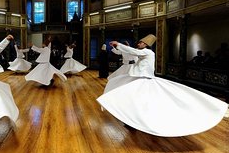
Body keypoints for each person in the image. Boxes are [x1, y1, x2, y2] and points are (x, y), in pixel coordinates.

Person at [97, 34, 228, 137]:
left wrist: (118, 44)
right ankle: (132, 120)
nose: (139, 43)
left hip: (144, 79)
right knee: (133, 98)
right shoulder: (142, 52)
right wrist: (118, 47)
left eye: (141, 42)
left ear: (147, 45)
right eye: (139, 42)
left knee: (140, 100)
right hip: (139, 78)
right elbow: (131, 52)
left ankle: (138, 120)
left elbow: (133, 52)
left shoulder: (148, 52)